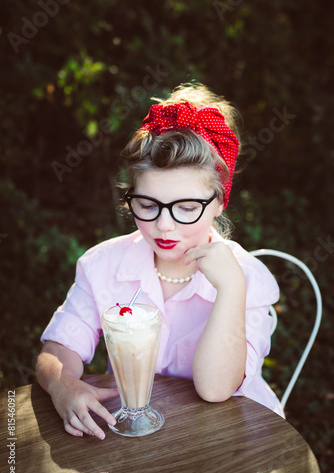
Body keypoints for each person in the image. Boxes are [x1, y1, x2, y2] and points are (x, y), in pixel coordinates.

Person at [35, 82, 283, 440]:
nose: (163, 225)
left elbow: (216, 390)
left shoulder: (246, 279)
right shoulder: (104, 265)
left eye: (185, 207)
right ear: (130, 196)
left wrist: (230, 289)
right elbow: (58, 348)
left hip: (229, 438)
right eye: (148, 205)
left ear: (219, 201)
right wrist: (63, 385)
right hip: (138, 435)